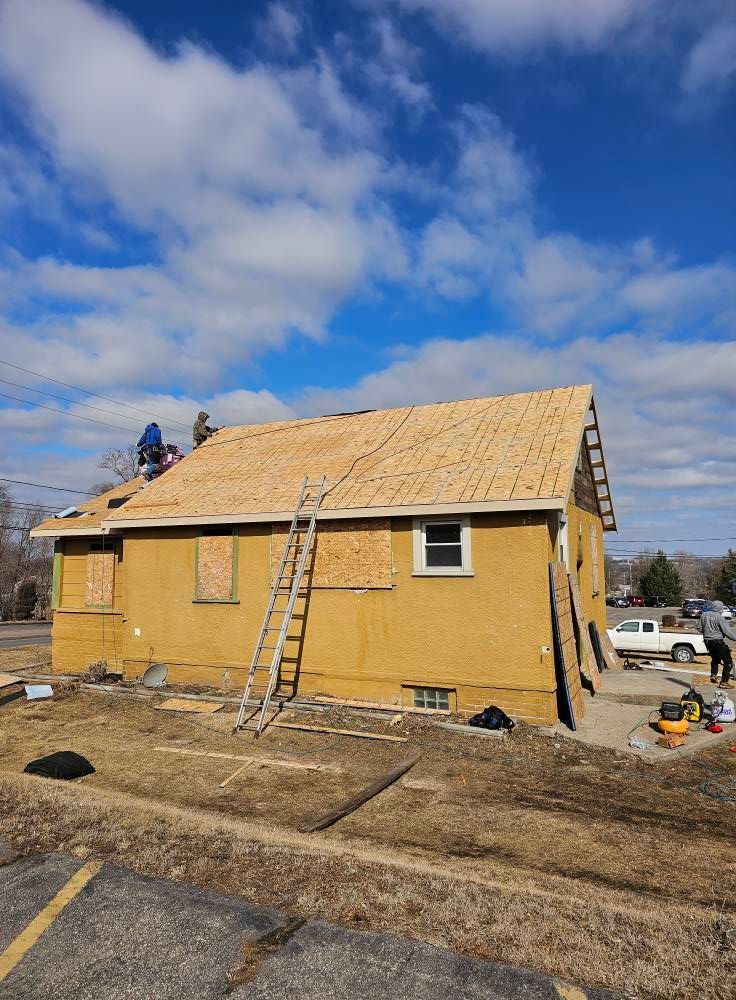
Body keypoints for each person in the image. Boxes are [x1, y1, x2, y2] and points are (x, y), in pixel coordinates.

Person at [699, 601, 735, 689]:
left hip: (707, 641)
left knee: (715, 659)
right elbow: (728, 633)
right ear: (719, 608)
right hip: (717, 641)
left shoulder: (704, 615)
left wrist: (707, 632)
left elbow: (699, 628)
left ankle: (713, 675)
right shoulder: (719, 617)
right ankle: (724, 682)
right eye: (722, 607)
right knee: (728, 662)